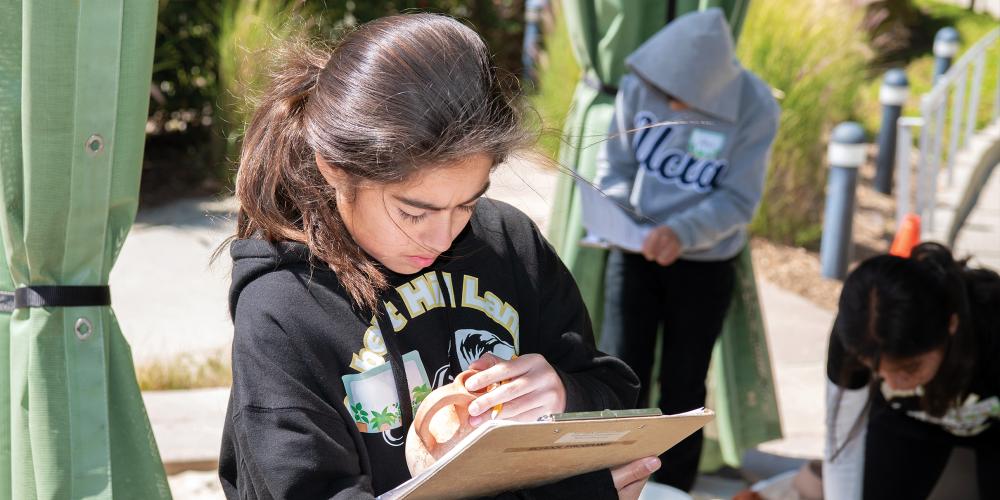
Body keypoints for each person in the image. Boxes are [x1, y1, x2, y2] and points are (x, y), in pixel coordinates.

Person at [218, 13, 658, 499]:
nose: (444, 237)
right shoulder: (283, 308)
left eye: (467, 202)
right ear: (335, 169)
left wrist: (563, 392)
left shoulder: (506, 240)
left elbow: (612, 392)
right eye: (413, 212)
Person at [592, 8, 780, 491]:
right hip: (633, 254)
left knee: (685, 382)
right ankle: (611, 480)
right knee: (619, 368)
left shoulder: (755, 105)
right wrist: (619, 218)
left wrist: (683, 233)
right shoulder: (638, 85)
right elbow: (613, 167)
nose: (673, 106)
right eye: (667, 93)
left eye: (684, 98)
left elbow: (739, 199)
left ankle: (673, 487)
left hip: (705, 263)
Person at [823, 242, 999, 499]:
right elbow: (843, 443)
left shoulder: (992, 326)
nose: (894, 383)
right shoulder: (856, 339)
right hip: (906, 423)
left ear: (951, 324)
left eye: (909, 368)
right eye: (879, 372)